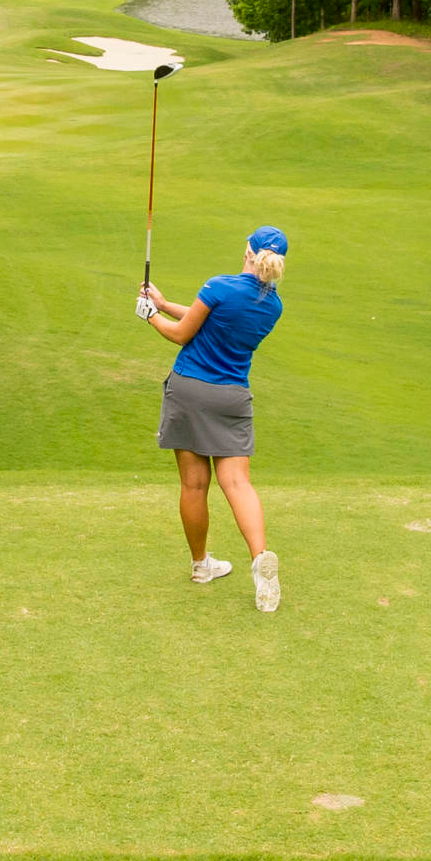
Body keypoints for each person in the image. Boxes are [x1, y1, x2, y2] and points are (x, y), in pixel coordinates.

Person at [138, 226, 288, 612]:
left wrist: (151, 315)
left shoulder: (219, 286)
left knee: (194, 483)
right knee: (237, 483)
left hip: (190, 390)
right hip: (232, 397)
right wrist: (167, 303)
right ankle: (259, 559)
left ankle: (201, 565)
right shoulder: (273, 305)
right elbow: (211, 319)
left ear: (247, 252)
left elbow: (182, 334)